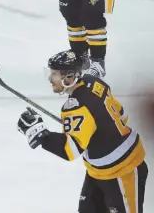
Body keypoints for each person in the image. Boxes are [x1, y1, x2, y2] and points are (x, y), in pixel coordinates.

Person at [17, 50, 148, 213]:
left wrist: (42, 136)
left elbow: (70, 150)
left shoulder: (76, 106)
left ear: (69, 77)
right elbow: (122, 115)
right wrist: (95, 128)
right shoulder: (94, 82)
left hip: (123, 170)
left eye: (54, 74)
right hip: (99, 170)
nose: (50, 79)